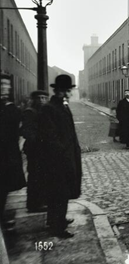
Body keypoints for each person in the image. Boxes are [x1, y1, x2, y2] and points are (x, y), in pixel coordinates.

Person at [38, 74, 82, 238]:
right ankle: (56, 228)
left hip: (67, 157)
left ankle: (58, 220)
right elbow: (50, 137)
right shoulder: (49, 109)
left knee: (62, 192)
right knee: (58, 193)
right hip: (57, 161)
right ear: (61, 91)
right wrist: (63, 155)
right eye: (69, 91)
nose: (70, 94)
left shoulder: (63, 107)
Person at [0, 73, 26, 234]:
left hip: (6, 154)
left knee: (4, 187)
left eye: (7, 85)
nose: (6, 87)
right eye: (2, 84)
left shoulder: (9, 107)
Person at [22, 90, 50, 212]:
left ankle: (40, 201)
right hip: (34, 150)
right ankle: (33, 204)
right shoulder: (30, 112)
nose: (42, 100)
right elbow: (26, 131)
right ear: (33, 100)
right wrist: (38, 142)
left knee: (42, 176)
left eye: (44, 98)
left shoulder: (43, 112)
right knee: (34, 177)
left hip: (42, 150)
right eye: (39, 98)